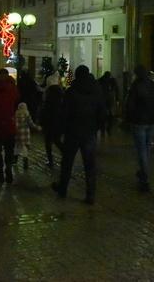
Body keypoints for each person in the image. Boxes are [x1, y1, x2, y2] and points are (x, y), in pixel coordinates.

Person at [52, 65, 106, 204]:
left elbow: (64, 113)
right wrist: (98, 127)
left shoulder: (72, 91)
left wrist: (60, 131)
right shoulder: (96, 90)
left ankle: (63, 188)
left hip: (73, 131)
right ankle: (90, 194)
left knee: (67, 162)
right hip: (89, 131)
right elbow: (101, 111)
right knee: (90, 164)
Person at [125, 65, 154, 192]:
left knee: (141, 149)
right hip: (151, 121)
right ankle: (143, 171)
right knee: (146, 148)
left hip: (138, 122)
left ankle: (144, 177)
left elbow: (130, 105)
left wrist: (128, 119)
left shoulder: (135, 86)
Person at [39, 73, 65, 169]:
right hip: (59, 121)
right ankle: (65, 155)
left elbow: (44, 109)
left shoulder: (48, 94)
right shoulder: (61, 93)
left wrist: (41, 121)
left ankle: (50, 161)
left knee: (48, 142)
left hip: (49, 122)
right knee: (57, 140)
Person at [98, 71, 119, 140]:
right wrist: (117, 99)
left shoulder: (100, 80)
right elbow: (117, 89)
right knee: (110, 115)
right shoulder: (112, 80)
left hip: (103, 99)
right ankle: (108, 129)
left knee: (103, 115)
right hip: (110, 99)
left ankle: (103, 130)